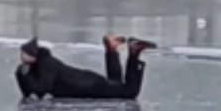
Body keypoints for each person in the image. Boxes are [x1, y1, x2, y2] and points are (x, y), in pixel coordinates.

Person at [15, 35, 155, 101]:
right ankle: (111, 49)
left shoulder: (46, 65)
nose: (22, 58)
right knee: (116, 84)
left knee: (130, 92)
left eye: (25, 55)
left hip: (88, 87)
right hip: (87, 83)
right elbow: (28, 93)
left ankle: (134, 52)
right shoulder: (41, 63)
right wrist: (22, 74)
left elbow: (40, 89)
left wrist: (23, 74)